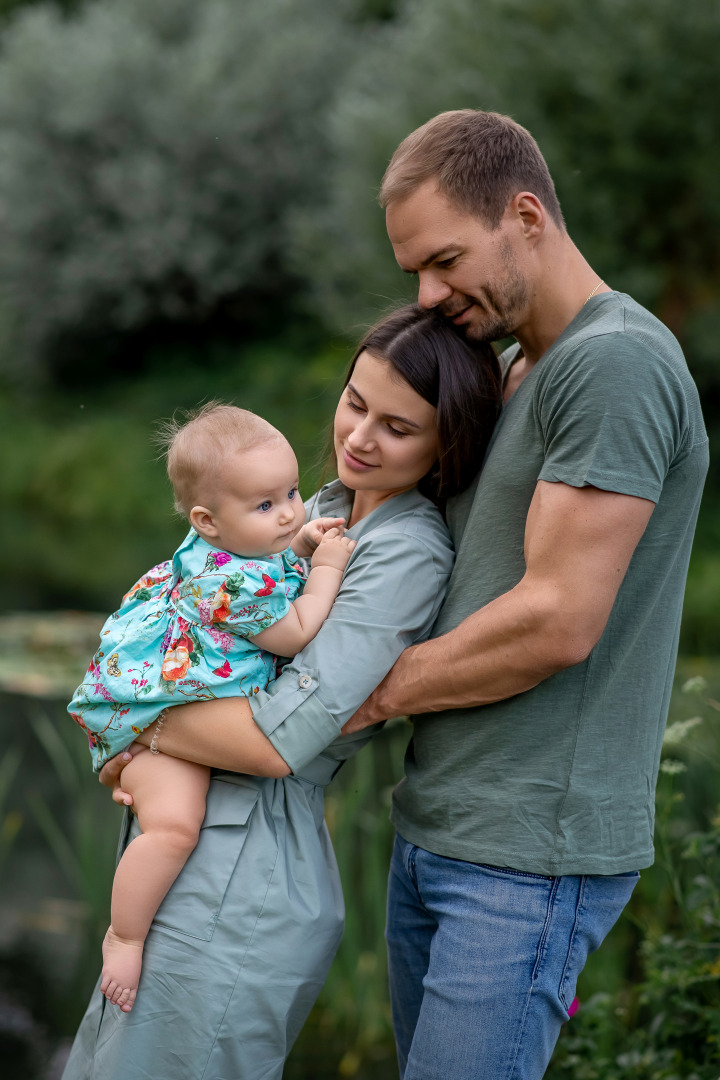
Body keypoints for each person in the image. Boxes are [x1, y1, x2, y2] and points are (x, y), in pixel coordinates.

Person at [336, 109, 707, 1078]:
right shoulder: (512, 368)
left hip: (526, 855)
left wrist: (359, 694)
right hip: (446, 826)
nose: (427, 293)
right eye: (412, 268)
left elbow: (557, 620)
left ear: (526, 214)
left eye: (446, 258)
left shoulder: (613, 361)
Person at [61, 304, 500, 1080]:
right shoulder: (318, 508)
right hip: (192, 848)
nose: (360, 437)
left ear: (444, 442)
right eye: (356, 404)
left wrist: (134, 726)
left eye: (398, 428)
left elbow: (277, 742)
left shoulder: (404, 552)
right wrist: (133, 730)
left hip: (244, 879)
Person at [68, 403, 357, 1012]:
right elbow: (295, 629)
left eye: (292, 492)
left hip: (172, 699)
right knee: (174, 828)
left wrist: (299, 543)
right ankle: (125, 933)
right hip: (153, 711)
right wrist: (327, 567)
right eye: (265, 505)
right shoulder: (227, 580)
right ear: (207, 521)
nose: (287, 513)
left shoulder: (237, 543)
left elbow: (275, 559)